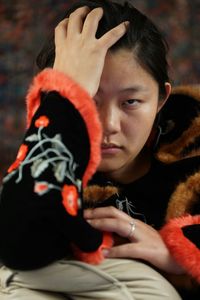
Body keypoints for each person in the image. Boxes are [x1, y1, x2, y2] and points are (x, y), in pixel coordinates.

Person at [0, 0, 199, 299]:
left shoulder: (192, 154)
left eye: (130, 102)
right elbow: (20, 248)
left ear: (161, 99)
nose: (109, 125)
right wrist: (66, 97)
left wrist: (181, 255)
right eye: (89, 100)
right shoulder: (52, 149)